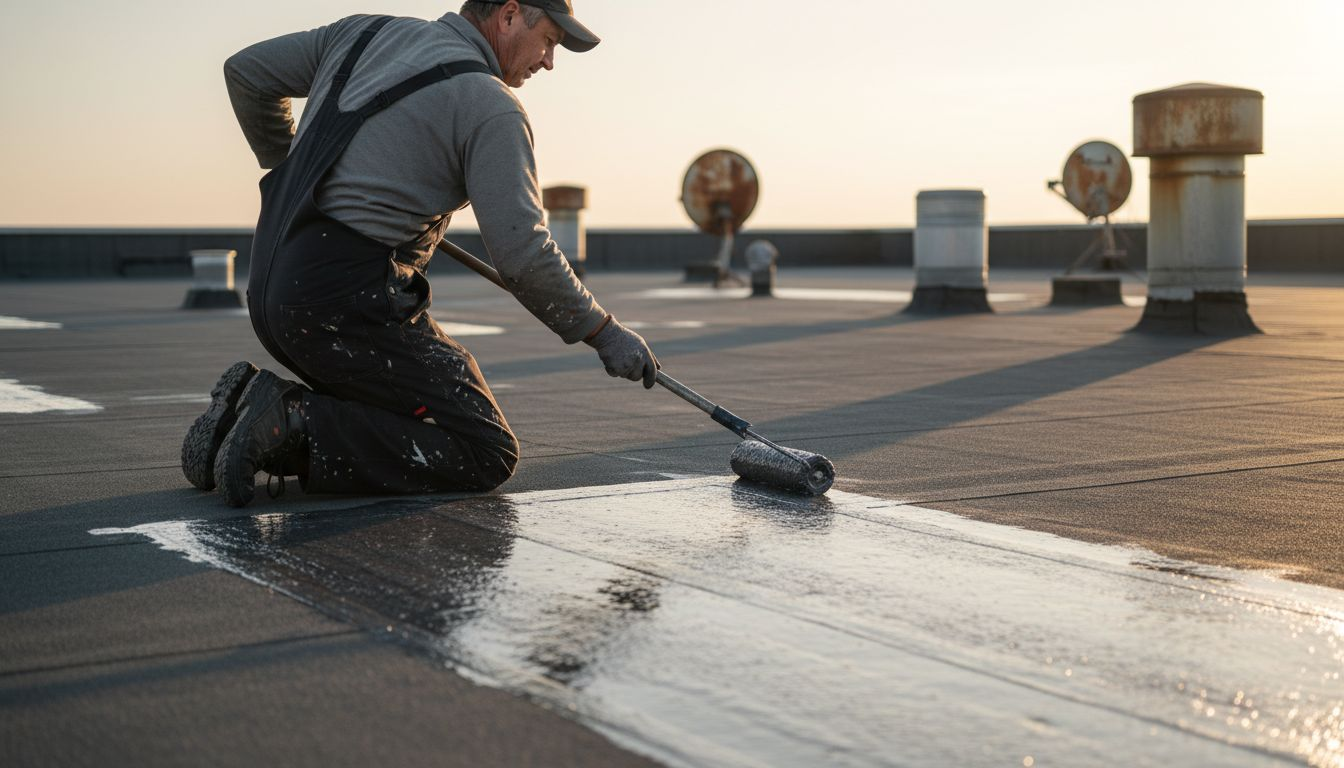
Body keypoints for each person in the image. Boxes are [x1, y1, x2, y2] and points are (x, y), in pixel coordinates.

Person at [180, 1, 658, 508]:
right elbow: (523, 254)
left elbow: (247, 73)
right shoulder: (490, 104)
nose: (549, 62)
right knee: (484, 448)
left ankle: (238, 420)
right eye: (550, 42)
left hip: (271, 291)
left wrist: (298, 172)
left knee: (398, 404)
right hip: (340, 308)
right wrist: (602, 332)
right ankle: (288, 420)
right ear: (510, 15)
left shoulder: (361, 34)